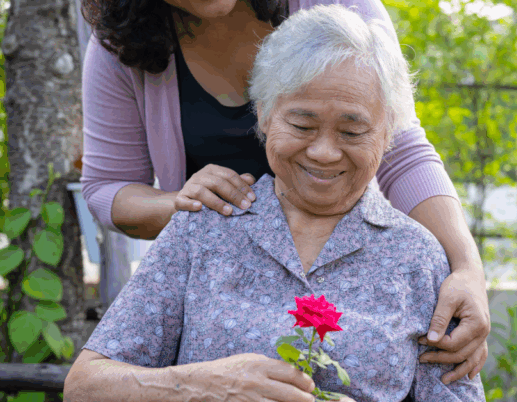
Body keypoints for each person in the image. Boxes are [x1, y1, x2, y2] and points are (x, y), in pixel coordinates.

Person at [64, 5, 486, 401]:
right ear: (263, 116)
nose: (323, 152)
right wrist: (198, 385)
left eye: (352, 132)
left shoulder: (418, 259)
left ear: (386, 134)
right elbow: (84, 387)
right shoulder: (199, 232)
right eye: (302, 124)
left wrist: (468, 267)